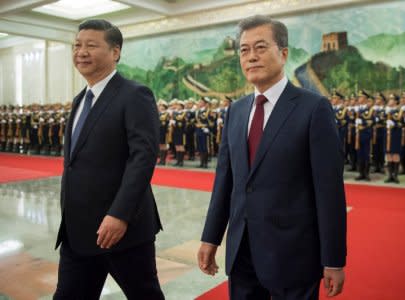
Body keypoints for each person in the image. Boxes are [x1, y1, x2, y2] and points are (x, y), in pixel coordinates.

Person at [197, 15, 347, 300]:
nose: (251, 57)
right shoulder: (236, 111)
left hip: (293, 255)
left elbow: (328, 191)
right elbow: (225, 181)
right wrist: (210, 237)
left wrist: (334, 258)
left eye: (261, 47)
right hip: (241, 253)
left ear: (284, 53)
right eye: (244, 50)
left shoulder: (314, 109)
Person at [53, 19, 164, 299]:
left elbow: (143, 157)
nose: (81, 52)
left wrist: (119, 214)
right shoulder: (80, 100)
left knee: (145, 295)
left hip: (120, 231)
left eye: (91, 45)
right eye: (77, 45)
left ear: (115, 52)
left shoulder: (134, 95)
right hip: (77, 231)